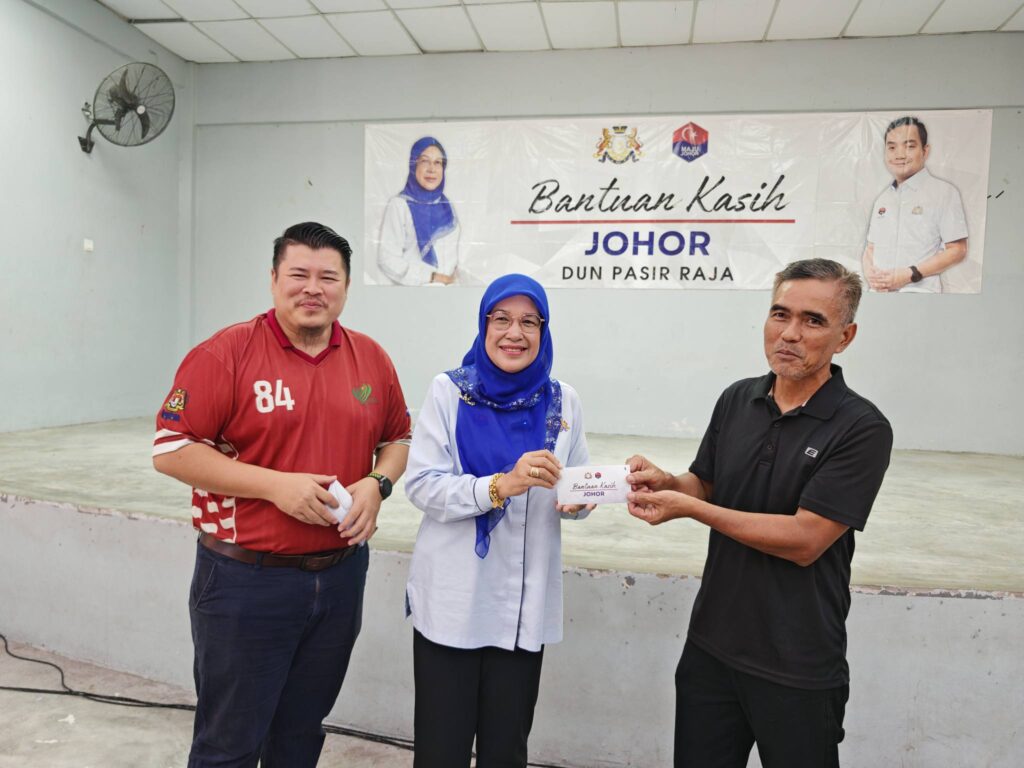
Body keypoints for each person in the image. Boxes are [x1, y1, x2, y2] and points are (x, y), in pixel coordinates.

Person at [152, 222, 411, 768]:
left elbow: (398, 438)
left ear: (345, 287)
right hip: (246, 581)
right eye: (298, 274)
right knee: (229, 743)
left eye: (328, 277)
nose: (313, 288)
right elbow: (172, 450)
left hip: (340, 577)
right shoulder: (226, 353)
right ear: (273, 280)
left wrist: (378, 483)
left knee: (299, 735)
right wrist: (275, 486)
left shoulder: (370, 358)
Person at [626, 259, 893, 768]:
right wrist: (669, 484)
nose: (790, 333)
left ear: (845, 336)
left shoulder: (862, 428)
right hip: (711, 650)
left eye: (813, 320)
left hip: (797, 664)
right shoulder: (737, 399)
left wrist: (692, 508)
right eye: (780, 314)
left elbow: (806, 540)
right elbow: (705, 482)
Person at [404, 273, 592, 767]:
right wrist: (499, 486)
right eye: (502, 319)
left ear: (544, 330)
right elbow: (422, 485)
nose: (515, 333)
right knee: (441, 751)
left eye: (530, 322)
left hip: (521, 607)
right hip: (455, 602)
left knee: (507, 750)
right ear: (484, 325)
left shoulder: (564, 400)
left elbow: (576, 480)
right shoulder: (449, 392)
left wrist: (581, 500)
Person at [862, 116, 968, 293]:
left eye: (909, 146)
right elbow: (871, 248)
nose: (899, 155)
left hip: (920, 295)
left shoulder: (944, 192)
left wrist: (910, 274)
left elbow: (957, 249)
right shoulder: (883, 199)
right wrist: (869, 274)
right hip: (879, 296)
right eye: (892, 147)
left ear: (925, 151)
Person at [377, 136, 461, 285]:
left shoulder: (446, 205)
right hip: (415, 292)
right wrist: (432, 277)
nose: (432, 169)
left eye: (438, 162)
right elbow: (387, 259)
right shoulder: (399, 205)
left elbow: (455, 256)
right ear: (413, 165)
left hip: (449, 291)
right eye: (424, 161)